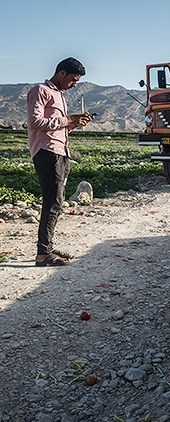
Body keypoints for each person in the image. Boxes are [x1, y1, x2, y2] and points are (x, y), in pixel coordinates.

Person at [27, 57, 94, 267]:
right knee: (53, 201)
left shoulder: (60, 95)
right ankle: (43, 254)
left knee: (55, 201)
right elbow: (35, 122)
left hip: (60, 152)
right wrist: (68, 119)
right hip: (47, 152)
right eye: (73, 79)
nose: (74, 84)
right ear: (61, 73)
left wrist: (74, 123)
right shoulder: (40, 91)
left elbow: (57, 127)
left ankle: (46, 247)